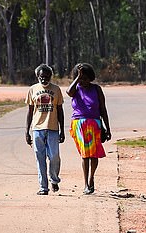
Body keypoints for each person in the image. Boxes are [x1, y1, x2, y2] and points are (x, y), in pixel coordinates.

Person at [66, 62, 111, 195]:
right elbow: (69, 92)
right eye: (81, 78)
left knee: (94, 154)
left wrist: (107, 128)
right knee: (85, 155)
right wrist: (77, 78)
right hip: (79, 124)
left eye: (85, 78)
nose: (83, 81)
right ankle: (86, 183)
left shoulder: (96, 89)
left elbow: (103, 109)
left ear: (90, 77)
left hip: (95, 124)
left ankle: (92, 179)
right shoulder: (75, 89)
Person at [25, 64, 65, 195]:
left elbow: (60, 110)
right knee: (40, 157)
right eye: (41, 77)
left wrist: (62, 130)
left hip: (53, 128)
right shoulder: (32, 89)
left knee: (54, 157)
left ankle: (54, 179)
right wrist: (27, 131)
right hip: (37, 128)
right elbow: (30, 112)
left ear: (51, 77)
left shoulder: (56, 89)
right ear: (38, 76)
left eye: (47, 77)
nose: (44, 79)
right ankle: (43, 187)